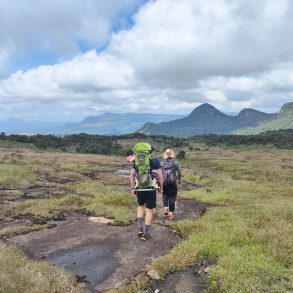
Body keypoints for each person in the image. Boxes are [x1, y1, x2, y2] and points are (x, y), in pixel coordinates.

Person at [130, 143, 163, 241]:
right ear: (151, 152)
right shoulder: (155, 161)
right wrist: (161, 188)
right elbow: (160, 178)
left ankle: (140, 229)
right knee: (149, 210)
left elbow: (132, 176)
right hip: (150, 189)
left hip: (139, 188)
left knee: (140, 206)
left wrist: (133, 188)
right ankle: (146, 233)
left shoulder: (135, 161)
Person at [162, 148, 182, 220]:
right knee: (172, 197)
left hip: (164, 183)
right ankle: (170, 213)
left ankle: (165, 208)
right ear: (172, 155)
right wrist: (179, 178)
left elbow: (160, 174)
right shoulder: (176, 163)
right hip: (173, 183)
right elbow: (179, 173)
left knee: (165, 195)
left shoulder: (162, 163)